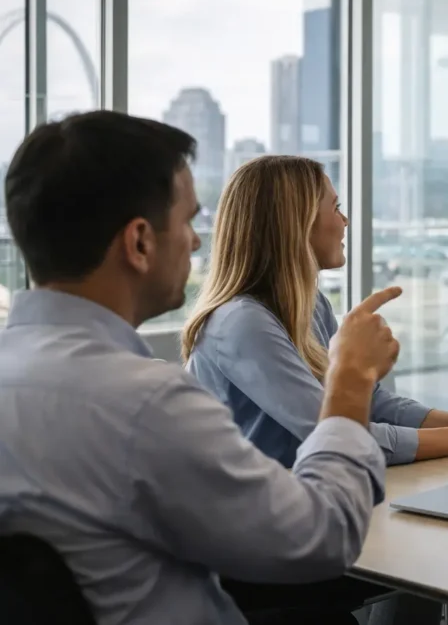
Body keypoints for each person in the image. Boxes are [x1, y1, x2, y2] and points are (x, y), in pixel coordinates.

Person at [0, 110, 403, 625]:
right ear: (140, 242)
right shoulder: (146, 403)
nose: (196, 241)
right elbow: (322, 538)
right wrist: (350, 383)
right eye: (189, 221)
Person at [180, 155, 448, 468]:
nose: (345, 221)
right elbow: (335, 432)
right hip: (250, 515)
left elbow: (370, 402)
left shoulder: (312, 304)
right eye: (336, 208)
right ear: (298, 224)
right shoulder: (242, 323)